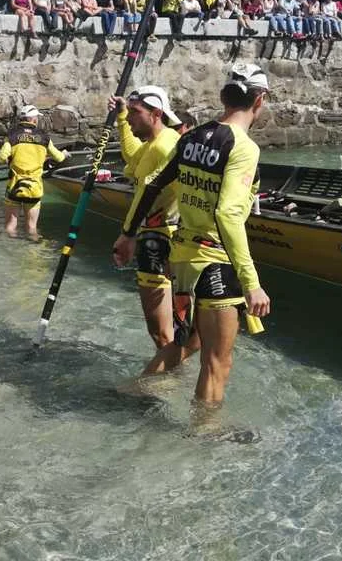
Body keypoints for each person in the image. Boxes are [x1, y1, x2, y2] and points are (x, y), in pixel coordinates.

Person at [111, 64, 272, 420]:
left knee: (189, 342)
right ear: (259, 100)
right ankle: (204, 431)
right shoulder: (243, 147)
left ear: (224, 97)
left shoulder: (192, 137)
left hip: (183, 259)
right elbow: (228, 214)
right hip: (215, 260)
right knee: (218, 362)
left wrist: (128, 233)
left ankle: (130, 391)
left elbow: (152, 183)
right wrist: (251, 282)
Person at [108, 87, 198, 384]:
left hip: (161, 242)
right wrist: (122, 116)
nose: (130, 118)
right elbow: (132, 155)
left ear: (157, 114)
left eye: (136, 112)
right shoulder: (153, 145)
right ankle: (174, 378)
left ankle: (163, 384)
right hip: (155, 238)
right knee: (165, 332)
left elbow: (149, 193)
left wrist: (127, 234)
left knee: (163, 333)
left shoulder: (166, 146)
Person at [0, 105, 68, 240]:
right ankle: (34, 249)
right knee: (32, 228)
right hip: (34, 188)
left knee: (10, 227)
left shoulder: (12, 135)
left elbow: (1, 158)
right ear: (34, 120)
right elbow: (59, 158)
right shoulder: (44, 137)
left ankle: (10, 249)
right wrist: (63, 154)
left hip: (15, 187)